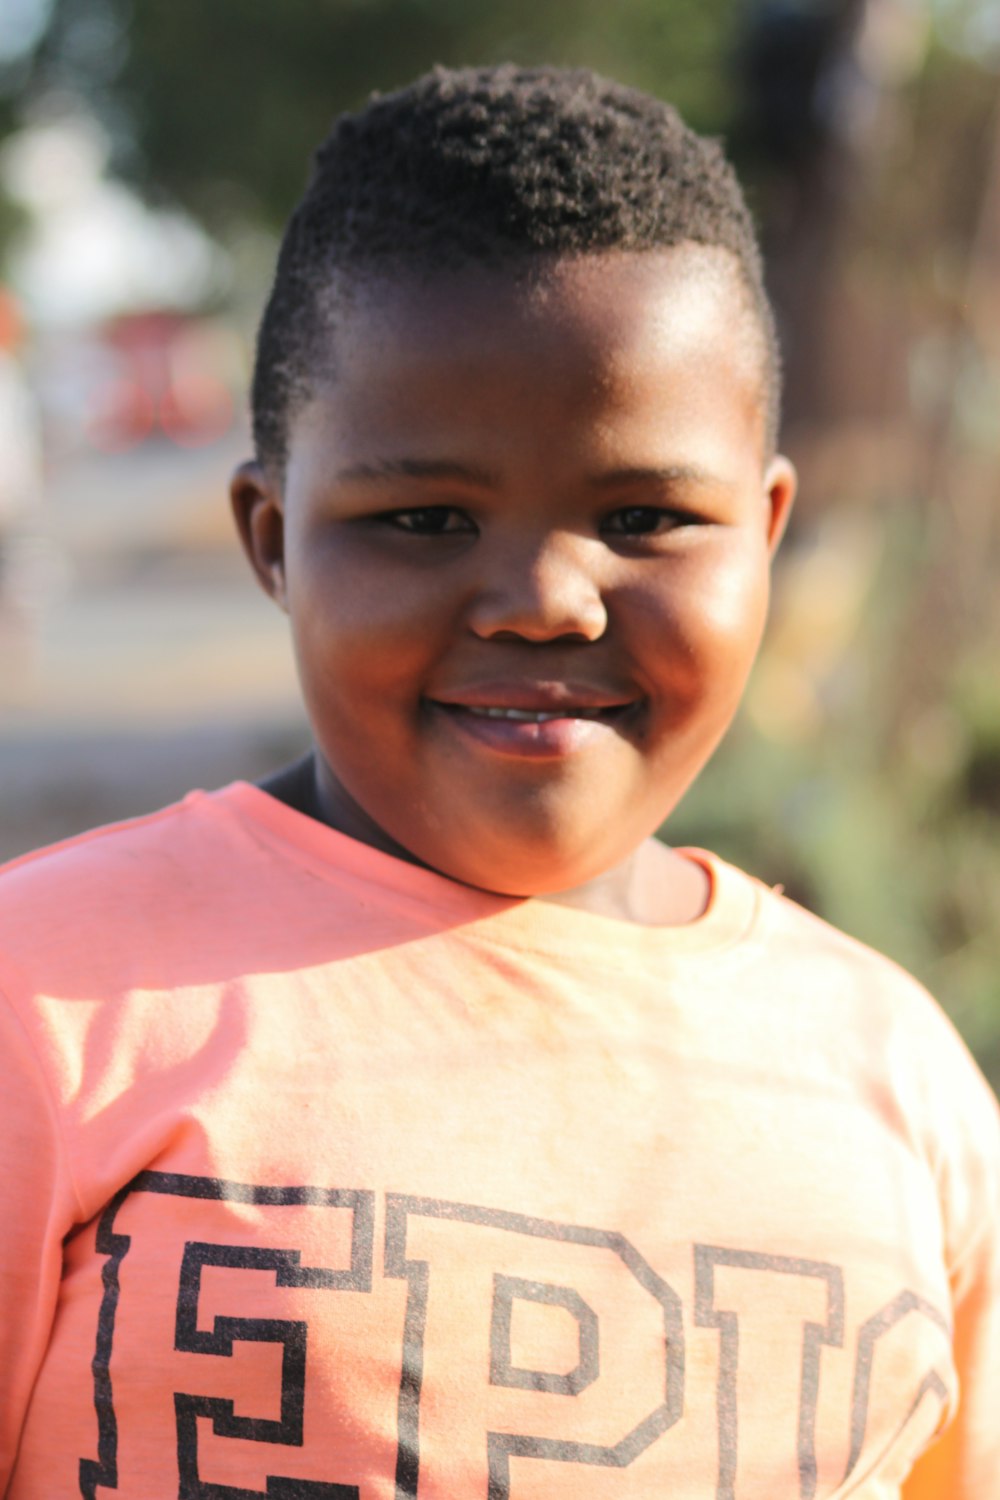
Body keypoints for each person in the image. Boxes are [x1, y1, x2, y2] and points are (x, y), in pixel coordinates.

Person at [0, 64, 996, 1499]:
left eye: (645, 516)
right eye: (423, 517)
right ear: (272, 537)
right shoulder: (53, 1010)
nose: (543, 598)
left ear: (765, 535)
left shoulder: (900, 1091)